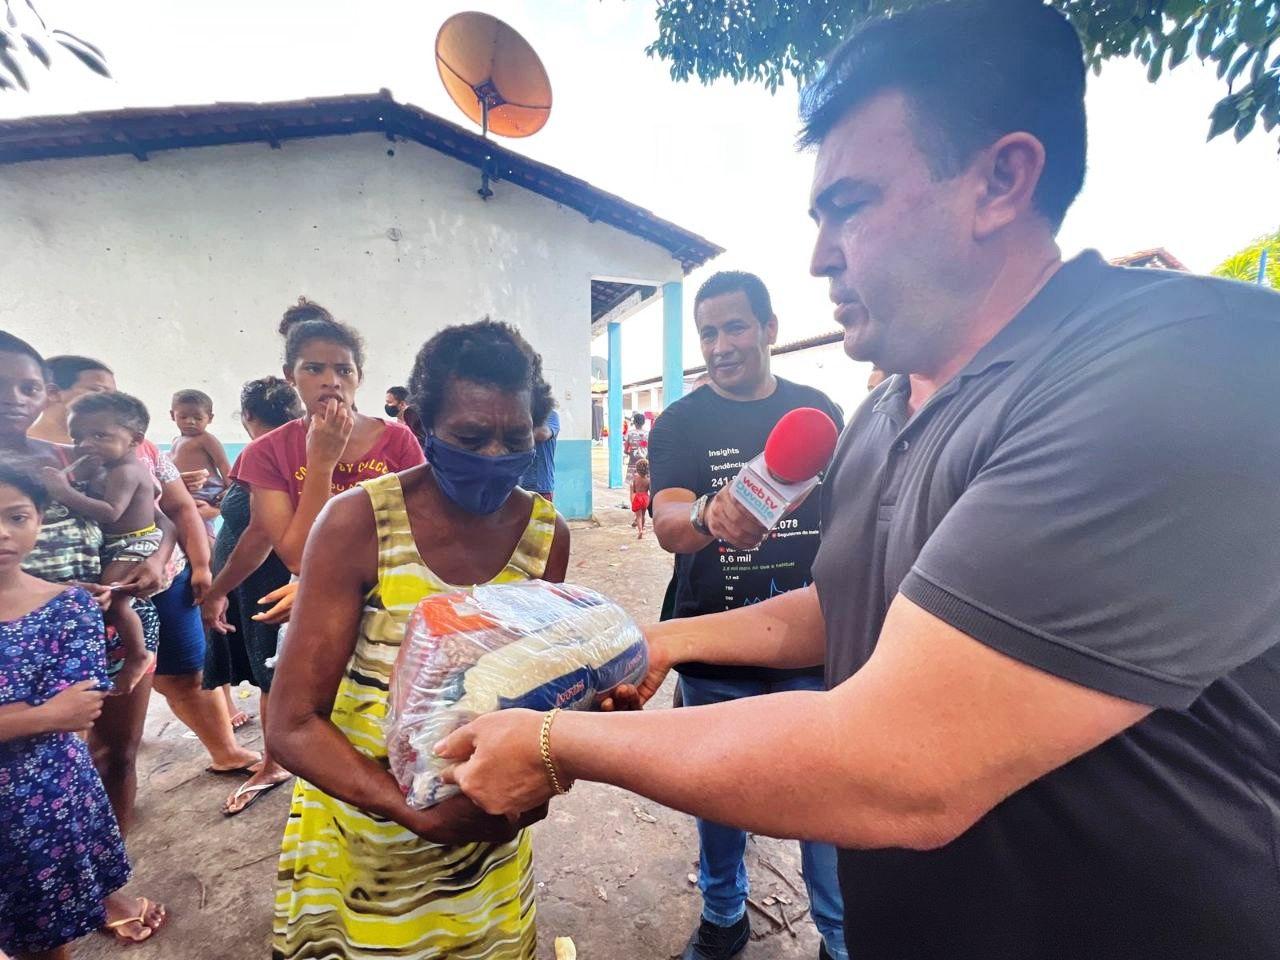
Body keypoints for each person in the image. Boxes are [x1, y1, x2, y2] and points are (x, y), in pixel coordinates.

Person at [433, 4, 1280, 960]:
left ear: (1002, 180)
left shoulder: (1183, 370)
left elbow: (897, 766)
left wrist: (553, 745)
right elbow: (850, 608)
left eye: (851, 206)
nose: (820, 256)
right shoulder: (881, 416)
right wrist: (656, 640)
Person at [269, 318, 570, 959]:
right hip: (364, 838)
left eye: (514, 437)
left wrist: (548, 768)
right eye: (469, 436)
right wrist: (411, 811)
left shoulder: (546, 537)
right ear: (423, 426)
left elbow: (539, 698)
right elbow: (291, 723)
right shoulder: (358, 523)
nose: (494, 456)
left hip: (483, 837)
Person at [645, 270, 846, 960]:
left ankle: (841, 939)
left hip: (809, 646)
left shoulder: (818, 410)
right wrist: (707, 512)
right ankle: (724, 918)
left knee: (825, 800)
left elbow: (848, 519)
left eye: (734, 327)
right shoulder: (681, 421)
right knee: (721, 796)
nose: (720, 344)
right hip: (714, 647)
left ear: (768, 329)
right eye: (708, 332)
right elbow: (669, 521)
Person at [0, 334, 170, 942]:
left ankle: (100, 883)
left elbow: (164, 511)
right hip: (16, 639)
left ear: (46, 392)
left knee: (110, 753)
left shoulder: (76, 455)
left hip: (97, 613)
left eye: (27, 386)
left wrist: (159, 558)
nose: (16, 400)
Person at [228, 299, 423, 809]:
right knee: (322, 728)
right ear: (290, 375)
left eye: (344, 369)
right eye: (314, 368)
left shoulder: (398, 442)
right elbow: (296, 554)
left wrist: (334, 585)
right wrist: (321, 463)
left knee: (395, 719)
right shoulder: (266, 454)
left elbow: (418, 534)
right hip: (320, 611)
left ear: (360, 377)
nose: (330, 381)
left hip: (393, 606)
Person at [0, 464, 134, 959]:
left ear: (39, 521)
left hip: (41, 805)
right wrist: (40, 713)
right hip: (43, 782)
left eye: (17, 516)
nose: (2, 533)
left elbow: (77, 711)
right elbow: (53, 711)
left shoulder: (67, 606)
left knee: (43, 944)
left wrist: (48, 714)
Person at [200, 375, 303, 815]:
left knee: (272, 676)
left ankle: (275, 764)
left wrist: (216, 588)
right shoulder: (271, 455)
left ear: (246, 417)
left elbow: (261, 532)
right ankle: (277, 758)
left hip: (267, 580)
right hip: (253, 580)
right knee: (269, 674)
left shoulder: (273, 454)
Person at [38, 391, 160, 699]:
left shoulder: (126, 471)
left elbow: (110, 512)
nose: (85, 444)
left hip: (135, 541)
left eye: (99, 435)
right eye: (78, 437)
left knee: (114, 596)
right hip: (118, 542)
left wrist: (63, 491)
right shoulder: (110, 466)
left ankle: (137, 655)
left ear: (135, 439)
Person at [168, 388, 231, 531]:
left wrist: (230, 490)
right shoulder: (176, 441)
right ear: (173, 415)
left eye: (198, 418)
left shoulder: (206, 439)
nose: (190, 422)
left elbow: (223, 464)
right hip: (185, 492)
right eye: (183, 417)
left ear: (210, 418)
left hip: (205, 492)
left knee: (200, 528)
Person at [27, 355, 115, 445]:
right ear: (53, 392)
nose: (113, 401)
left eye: (114, 395)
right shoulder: (18, 448)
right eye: (97, 390)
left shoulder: (108, 450)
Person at [519, 406, 559, 500]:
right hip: (518, 486)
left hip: (541, 486)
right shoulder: (517, 415)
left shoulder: (550, 415)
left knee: (542, 514)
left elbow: (542, 434)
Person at [630, 457, 650, 539]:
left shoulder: (635, 477)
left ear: (637, 469)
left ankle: (640, 530)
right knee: (643, 515)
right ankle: (643, 528)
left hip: (638, 497)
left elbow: (633, 489)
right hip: (645, 498)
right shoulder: (648, 480)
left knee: (638, 516)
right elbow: (649, 490)